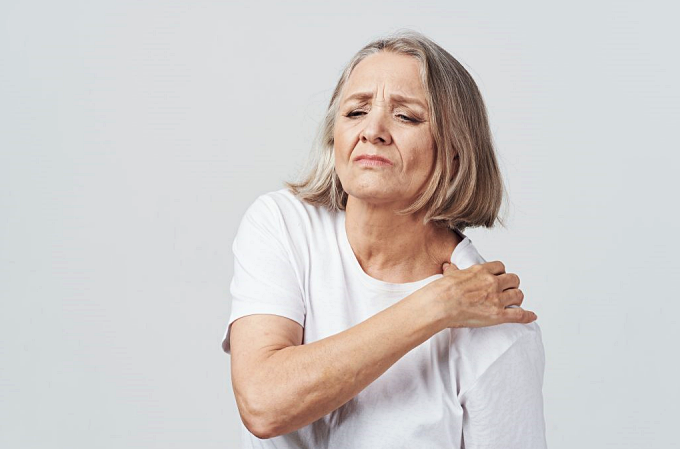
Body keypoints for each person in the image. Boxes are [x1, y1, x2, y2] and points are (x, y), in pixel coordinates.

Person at [221, 29, 547, 448]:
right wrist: (436, 305)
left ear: (455, 151)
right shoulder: (283, 225)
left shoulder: (494, 326)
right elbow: (263, 404)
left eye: (406, 116)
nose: (372, 130)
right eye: (355, 112)